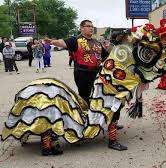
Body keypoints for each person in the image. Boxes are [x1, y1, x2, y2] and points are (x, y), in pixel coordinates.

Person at [46, 19, 124, 150]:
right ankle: (85, 125)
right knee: (86, 99)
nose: (91, 28)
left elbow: (107, 56)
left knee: (103, 97)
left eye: (92, 26)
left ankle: (107, 121)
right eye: (88, 26)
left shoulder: (97, 43)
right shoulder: (76, 40)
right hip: (82, 74)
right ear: (81, 28)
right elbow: (63, 43)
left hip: (97, 73)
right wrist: (53, 42)